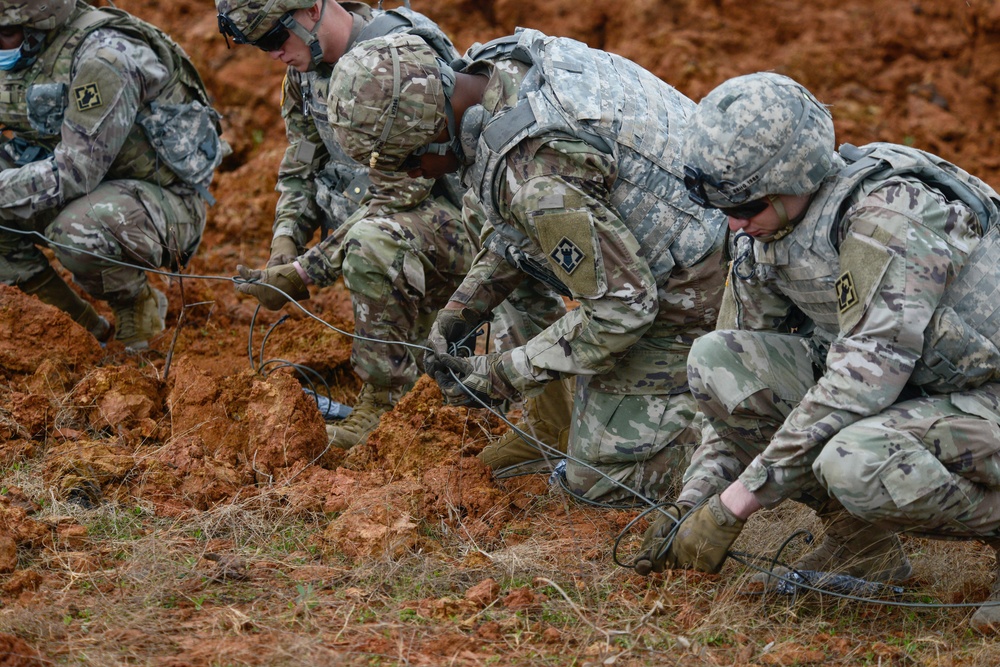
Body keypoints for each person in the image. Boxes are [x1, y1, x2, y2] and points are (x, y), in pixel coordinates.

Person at [634, 71, 1000, 632]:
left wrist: (736, 505)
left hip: (984, 390)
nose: (734, 222)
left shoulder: (891, 216)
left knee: (855, 460)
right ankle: (865, 551)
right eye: (719, 204)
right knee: (718, 360)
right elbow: (734, 386)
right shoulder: (767, 232)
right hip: (922, 388)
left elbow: (862, 378)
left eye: (747, 204)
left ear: (793, 177)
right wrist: (693, 502)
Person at [327, 30, 729, 503]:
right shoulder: (496, 70)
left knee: (599, 483)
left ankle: (723, 423)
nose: (414, 175)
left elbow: (624, 308)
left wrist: (499, 372)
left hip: (701, 279)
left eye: (409, 161)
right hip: (667, 241)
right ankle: (564, 422)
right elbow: (515, 235)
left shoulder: (533, 174)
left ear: (431, 128)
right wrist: (462, 311)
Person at [215, 0, 571, 451]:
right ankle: (422, 370)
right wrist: (285, 244)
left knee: (373, 242)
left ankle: (385, 400)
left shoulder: (398, 61)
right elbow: (300, 165)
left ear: (309, 10)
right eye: (259, 46)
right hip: (402, 227)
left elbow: (404, 190)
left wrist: (307, 270)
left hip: (464, 228)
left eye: (273, 38)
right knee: (375, 243)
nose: (273, 55)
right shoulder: (305, 77)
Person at [1, 0, 224, 351]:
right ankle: (76, 330)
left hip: (160, 203)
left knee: (77, 230)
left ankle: (136, 307)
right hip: (76, 187)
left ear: (37, 25)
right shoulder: (17, 53)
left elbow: (75, 172)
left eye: (6, 33)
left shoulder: (103, 57)